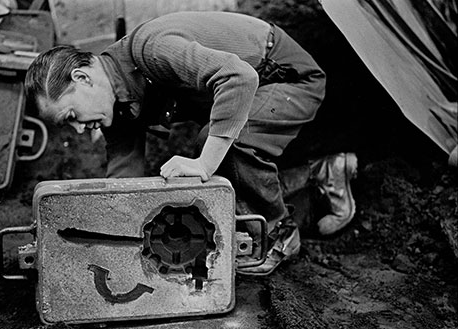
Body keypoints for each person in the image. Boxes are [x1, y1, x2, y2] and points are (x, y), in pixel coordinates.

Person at [24, 11, 356, 275]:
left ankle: (280, 236)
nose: (80, 131)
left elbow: (238, 77)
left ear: (82, 77)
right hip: (248, 91)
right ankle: (322, 172)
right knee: (218, 146)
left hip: (285, 75)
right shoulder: (118, 102)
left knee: (219, 146)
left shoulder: (149, 50)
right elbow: (123, 178)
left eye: (70, 116)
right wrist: (104, 237)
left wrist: (204, 163)